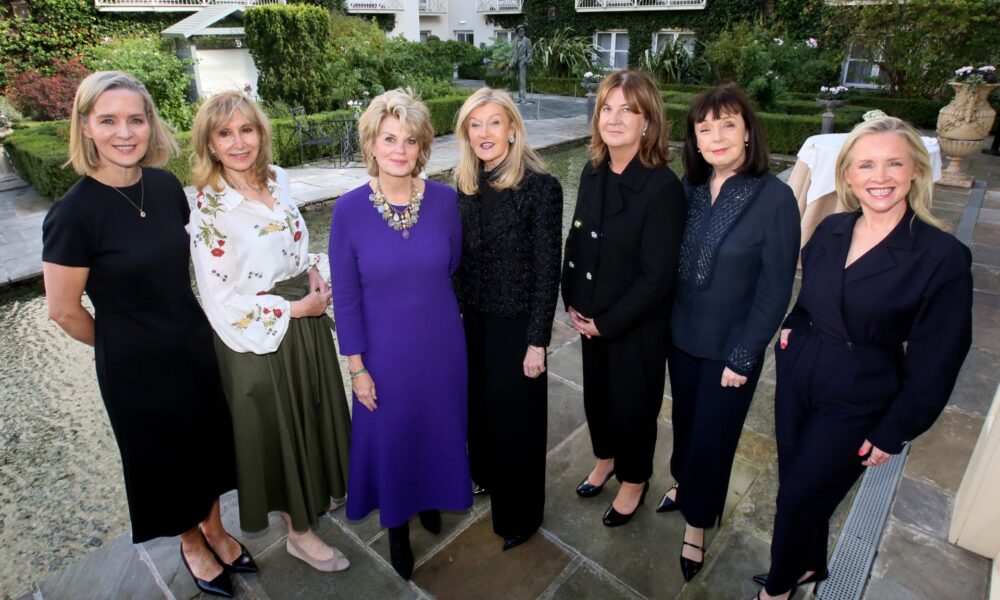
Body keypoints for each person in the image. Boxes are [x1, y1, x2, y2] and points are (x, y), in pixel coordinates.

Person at [42, 71, 250, 598]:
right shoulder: (72, 214)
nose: (124, 132)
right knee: (162, 459)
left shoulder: (162, 186)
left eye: (135, 119)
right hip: (135, 366)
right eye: (108, 120)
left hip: (193, 344)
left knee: (206, 446)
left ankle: (216, 528)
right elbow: (63, 311)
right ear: (85, 126)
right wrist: (119, 343)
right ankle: (190, 541)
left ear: (150, 124)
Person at [753, 116, 973, 600]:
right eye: (866, 165)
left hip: (860, 393)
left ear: (916, 171)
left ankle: (779, 586)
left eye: (894, 163)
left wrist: (895, 429)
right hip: (800, 375)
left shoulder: (941, 256)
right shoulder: (831, 228)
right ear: (848, 175)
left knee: (797, 497)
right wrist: (791, 331)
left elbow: (938, 360)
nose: (880, 177)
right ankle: (809, 562)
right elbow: (810, 297)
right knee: (798, 481)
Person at [188, 91, 351, 574]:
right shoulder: (209, 210)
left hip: (304, 321)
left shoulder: (278, 180)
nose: (238, 142)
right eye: (225, 133)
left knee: (309, 418)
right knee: (280, 435)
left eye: (247, 129)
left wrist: (314, 269)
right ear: (210, 144)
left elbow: (291, 246)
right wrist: (296, 308)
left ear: (261, 134)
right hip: (258, 340)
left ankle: (315, 496)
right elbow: (220, 300)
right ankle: (299, 535)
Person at [657, 86, 800, 583]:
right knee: (685, 424)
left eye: (727, 125)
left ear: (747, 133)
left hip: (731, 350)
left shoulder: (776, 198)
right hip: (682, 337)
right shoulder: (690, 188)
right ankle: (683, 484)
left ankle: (697, 522)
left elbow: (776, 289)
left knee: (714, 438)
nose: (716, 136)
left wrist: (745, 354)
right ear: (694, 140)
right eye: (704, 128)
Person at [330, 88, 472, 581]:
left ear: (422, 147)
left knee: (436, 429)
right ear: (372, 143)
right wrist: (357, 368)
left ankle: (430, 499)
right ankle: (396, 526)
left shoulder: (445, 201)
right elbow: (346, 297)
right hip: (383, 354)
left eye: (410, 140)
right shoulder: (348, 211)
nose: (400, 149)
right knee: (393, 439)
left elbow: (451, 264)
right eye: (389, 138)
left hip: (441, 345)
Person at [561, 70, 687, 529]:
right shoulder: (594, 171)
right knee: (598, 399)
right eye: (606, 109)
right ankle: (606, 459)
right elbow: (577, 241)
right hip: (591, 316)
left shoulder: (662, 188)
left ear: (647, 121)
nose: (613, 119)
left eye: (627, 110)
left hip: (634, 326)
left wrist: (607, 323)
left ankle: (634, 479)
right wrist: (572, 298)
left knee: (633, 408)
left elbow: (657, 278)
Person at [453, 87, 563, 551]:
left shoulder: (540, 187)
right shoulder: (465, 185)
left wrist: (538, 341)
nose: (484, 133)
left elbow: (547, 270)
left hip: (516, 326)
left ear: (513, 129)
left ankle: (522, 515)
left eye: (494, 123)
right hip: (472, 321)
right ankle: (485, 475)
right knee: (480, 410)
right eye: (475, 125)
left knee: (517, 422)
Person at [509, 24, 532, 104]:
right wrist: (511, 63)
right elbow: (514, 53)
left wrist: (526, 60)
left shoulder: (527, 40)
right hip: (516, 62)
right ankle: (520, 97)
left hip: (523, 62)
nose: (522, 32)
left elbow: (530, 53)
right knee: (518, 81)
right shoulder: (515, 40)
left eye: (523, 30)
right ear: (518, 32)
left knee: (522, 81)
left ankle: (523, 98)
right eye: (520, 31)